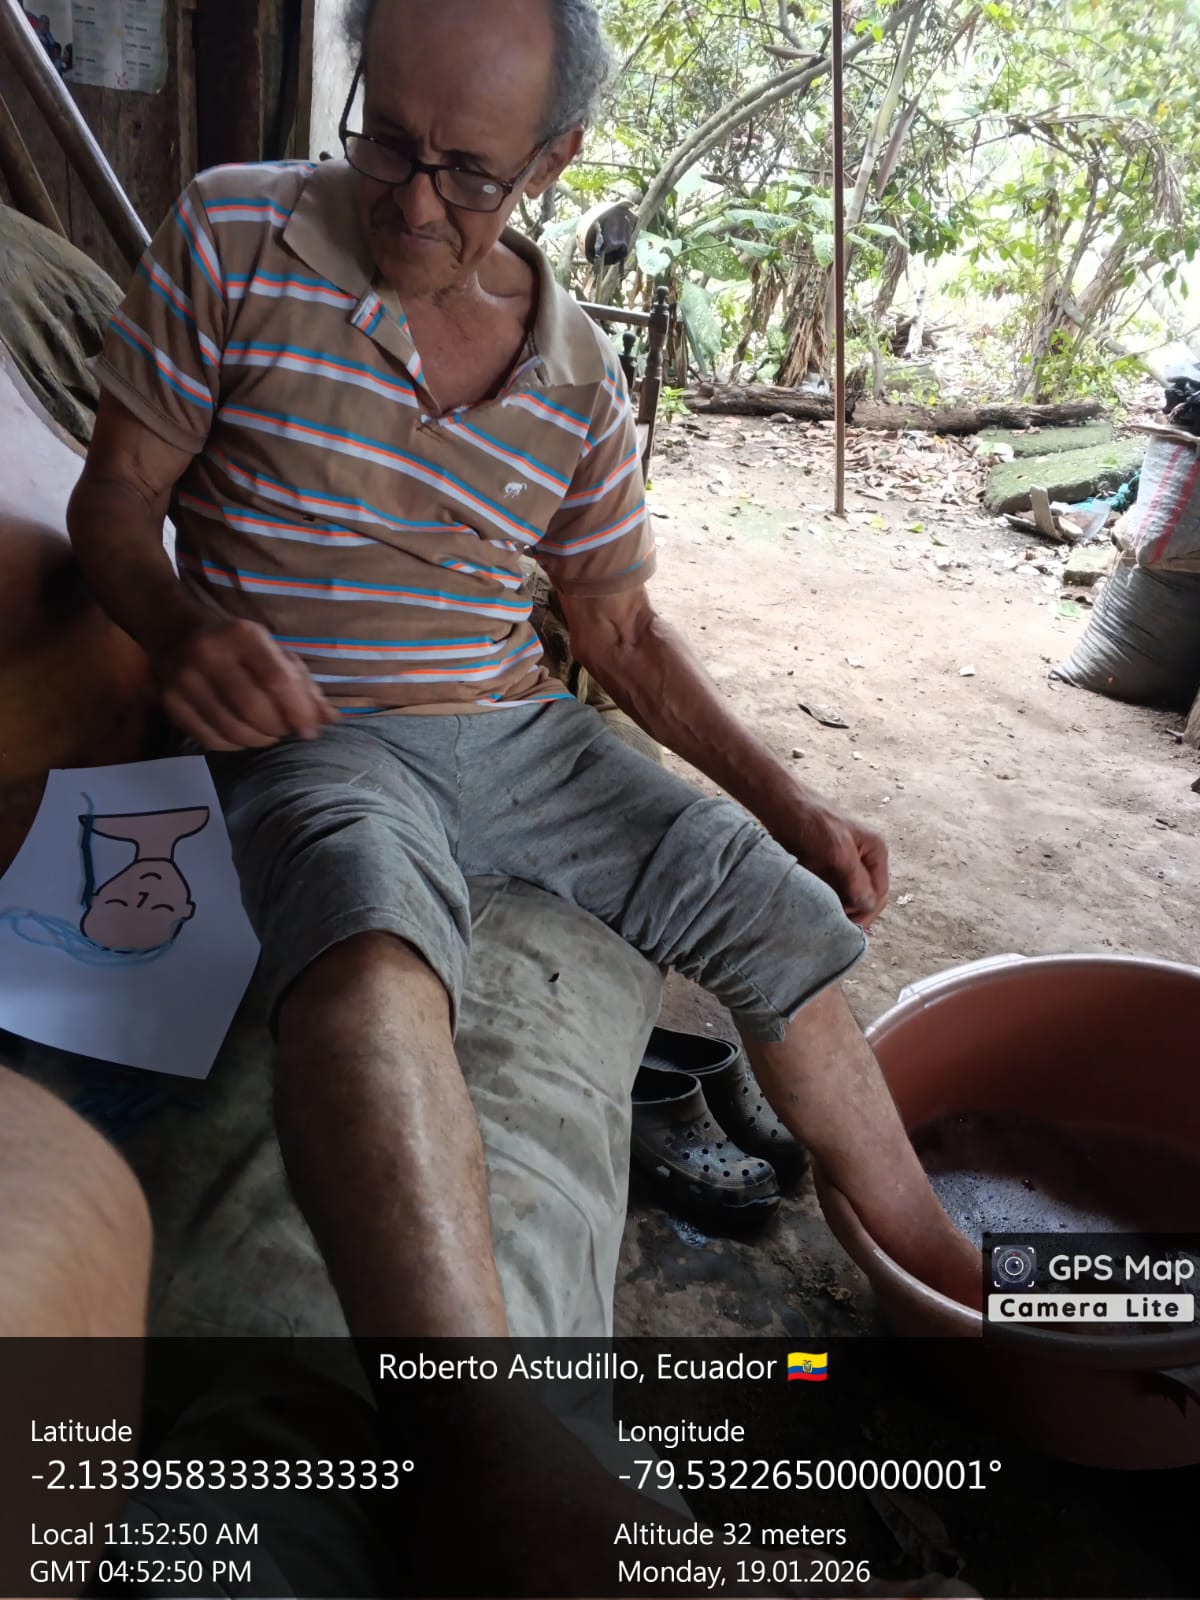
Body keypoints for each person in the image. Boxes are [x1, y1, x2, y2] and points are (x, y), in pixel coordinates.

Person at [67, 0, 983, 1359]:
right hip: (316, 728)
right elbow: (110, 507)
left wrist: (791, 806)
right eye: (388, 141)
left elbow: (620, 634)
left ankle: (951, 1275)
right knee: (368, 925)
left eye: (469, 174)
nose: (413, 202)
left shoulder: (576, 375)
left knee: (769, 908)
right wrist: (181, 627)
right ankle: (476, 1419)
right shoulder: (233, 233)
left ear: (554, 159)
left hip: (519, 736)